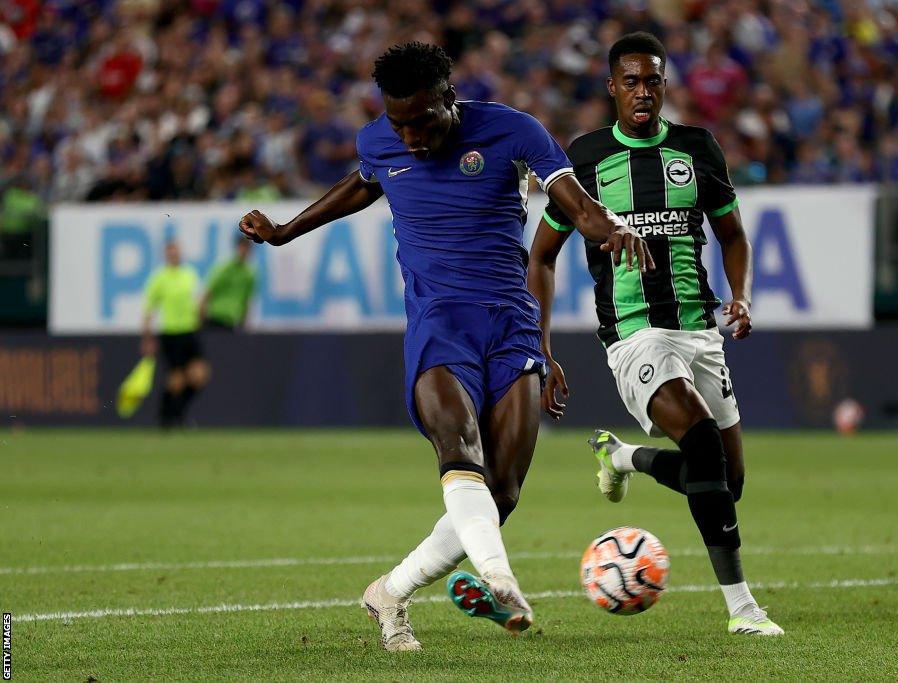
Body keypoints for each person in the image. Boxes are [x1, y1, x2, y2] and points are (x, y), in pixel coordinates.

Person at [238, 42, 654, 651]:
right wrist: (284, 231)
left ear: (448, 100)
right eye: (398, 123)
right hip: (439, 325)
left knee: (502, 491)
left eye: (421, 121)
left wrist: (615, 231)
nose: (409, 138)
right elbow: (362, 185)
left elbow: (579, 210)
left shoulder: (514, 132)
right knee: (458, 449)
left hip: (512, 324)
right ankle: (501, 582)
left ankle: (390, 592)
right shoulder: (381, 140)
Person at [528, 32, 783, 636]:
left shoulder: (698, 149)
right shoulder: (584, 158)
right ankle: (743, 610)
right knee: (700, 446)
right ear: (612, 87)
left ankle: (624, 457)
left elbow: (733, 236)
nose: (643, 93)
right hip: (634, 334)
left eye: (654, 82)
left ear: (665, 86)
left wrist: (741, 296)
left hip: (699, 330)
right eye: (631, 82)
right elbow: (540, 257)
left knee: (728, 481)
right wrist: (540, 345)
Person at [141, 240, 209, 428]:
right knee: (176, 380)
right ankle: (166, 418)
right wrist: (147, 337)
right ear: (165, 255)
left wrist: (202, 315)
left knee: (199, 376)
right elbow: (149, 310)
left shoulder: (189, 274)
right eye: (170, 252)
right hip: (171, 333)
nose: (174, 255)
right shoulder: (159, 278)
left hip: (190, 330)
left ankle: (177, 413)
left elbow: (199, 299)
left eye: (176, 251)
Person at [201, 237, 257, 331]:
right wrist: (201, 322)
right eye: (242, 247)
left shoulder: (250, 274)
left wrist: (244, 323)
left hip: (233, 322)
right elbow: (207, 294)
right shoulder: (224, 268)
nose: (244, 251)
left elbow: (246, 301)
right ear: (237, 248)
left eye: (247, 248)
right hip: (215, 319)